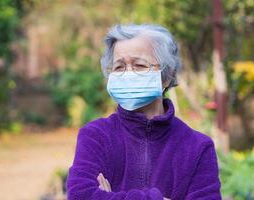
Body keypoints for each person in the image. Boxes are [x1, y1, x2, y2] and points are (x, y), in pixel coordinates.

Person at [65, 23, 222, 200]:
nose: (127, 73)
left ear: (167, 76)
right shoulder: (96, 136)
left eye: (139, 65)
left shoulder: (197, 147)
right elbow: (80, 195)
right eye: (119, 67)